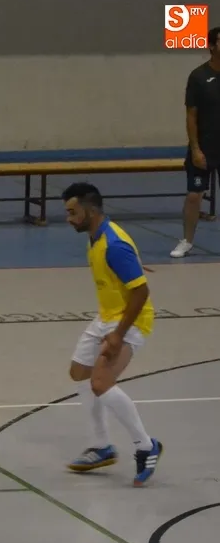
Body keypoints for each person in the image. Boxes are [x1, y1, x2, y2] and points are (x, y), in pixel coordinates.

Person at [61, 182, 163, 487]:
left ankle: (146, 446)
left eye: (73, 212)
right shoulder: (96, 237)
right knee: (80, 372)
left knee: (101, 383)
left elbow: (141, 293)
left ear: (91, 211)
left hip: (130, 321)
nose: (68, 219)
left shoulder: (114, 245)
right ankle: (102, 446)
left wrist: (118, 335)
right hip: (106, 316)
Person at [171, 26, 220, 258]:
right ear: (212, 46)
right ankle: (187, 241)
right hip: (205, 148)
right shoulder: (199, 77)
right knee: (194, 195)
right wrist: (195, 149)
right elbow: (191, 115)